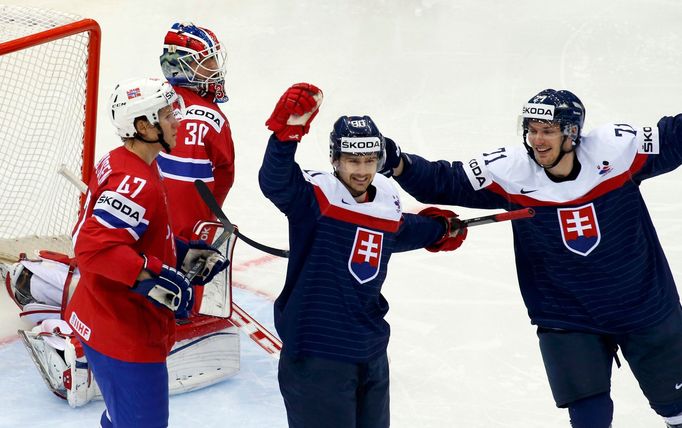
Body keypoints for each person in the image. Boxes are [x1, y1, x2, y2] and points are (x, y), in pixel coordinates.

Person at [381, 88, 682, 428]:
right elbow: (444, 181)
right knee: (589, 416)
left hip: (643, 304)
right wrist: (397, 162)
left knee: (677, 410)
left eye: (548, 130)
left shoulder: (618, 151)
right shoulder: (512, 172)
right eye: (532, 129)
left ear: (572, 133)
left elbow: (676, 135)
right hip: (566, 314)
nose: (537, 139)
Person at [259, 82, 468, 428]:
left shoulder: (385, 202)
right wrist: (286, 136)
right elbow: (275, 182)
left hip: (369, 349)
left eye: (369, 160)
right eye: (352, 160)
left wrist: (440, 230)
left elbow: (397, 232)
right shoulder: (313, 200)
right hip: (316, 350)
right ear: (334, 159)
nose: (361, 170)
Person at [64, 77, 226, 427]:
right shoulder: (134, 180)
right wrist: (151, 274)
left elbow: (130, 235)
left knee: (122, 418)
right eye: (168, 114)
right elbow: (91, 247)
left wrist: (179, 252)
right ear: (143, 126)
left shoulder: (129, 161)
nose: (178, 121)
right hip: (124, 334)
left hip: (106, 320)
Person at [158, 22, 235, 240]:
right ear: (182, 67)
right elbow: (225, 177)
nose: (215, 66)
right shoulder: (214, 120)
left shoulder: (147, 101)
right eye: (207, 60)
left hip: (142, 236)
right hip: (188, 240)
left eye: (214, 57)